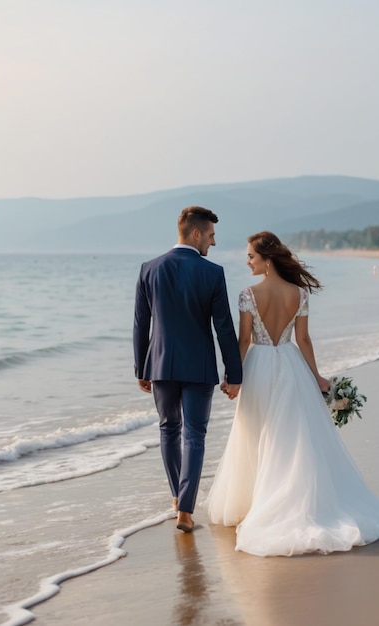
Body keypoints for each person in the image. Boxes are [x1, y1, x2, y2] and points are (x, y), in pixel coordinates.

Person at [207, 231, 379, 556]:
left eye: (251, 257)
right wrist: (315, 377)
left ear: (267, 261)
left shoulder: (247, 295)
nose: (247, 262)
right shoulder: (299, 294)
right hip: (290, 366)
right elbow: (304, 340)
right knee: (292, 437)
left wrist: (234, 378)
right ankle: (290, 499)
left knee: (256, 434)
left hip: (258, 367)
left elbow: (244, 341)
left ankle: (258, 503)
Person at [133, 206, 242, 533]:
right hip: (199, 367)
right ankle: (186, 510)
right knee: (195, 434)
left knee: (169, 430)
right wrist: (234, 374)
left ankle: (178, 500)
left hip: (161, 364)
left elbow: (141, 324)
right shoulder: (212, 273)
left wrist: (141, 367)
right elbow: (224, 328)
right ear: (196, 234)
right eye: (210, 235)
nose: (213, 242)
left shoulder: (149, 269)